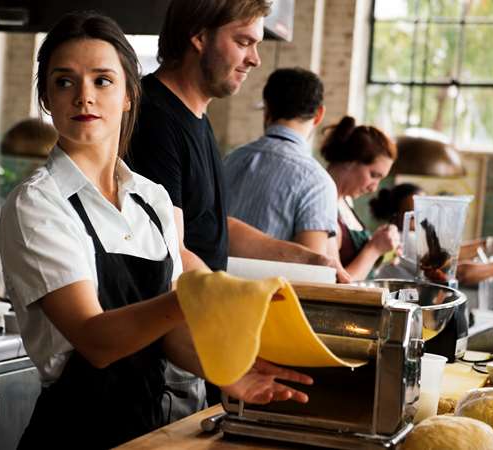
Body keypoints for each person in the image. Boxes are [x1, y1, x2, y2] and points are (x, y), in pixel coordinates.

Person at [0, 12, 312, 449]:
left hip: (146, 431)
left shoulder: (151, 198)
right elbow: (95, 339)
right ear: (47, 99)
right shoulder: (39, 204)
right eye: (64, 82)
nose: (84, 96)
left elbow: (167, 335)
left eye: (103, 81)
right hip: (72, 432)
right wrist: (195, 297)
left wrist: (226, 370)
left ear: (128, 95)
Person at [127, 0, 349, 419]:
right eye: (243, 41)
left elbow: (211, 225)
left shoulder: (196, 117)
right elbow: (171, 249)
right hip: (165, 354)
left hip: (195, 340)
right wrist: (243, 307)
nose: (255, 58)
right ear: (199, 36)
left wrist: (309, 259)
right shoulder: (155, 117)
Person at [223, 67, 336, 255]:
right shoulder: (318, 182)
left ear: (266, 108)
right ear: (319, 115)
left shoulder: (230, 160)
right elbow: (312, 272)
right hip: (272, 285)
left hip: (211, 282)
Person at [371, 183, 493, 285]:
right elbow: (460, 273)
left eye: (425, 211)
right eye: (416, 215)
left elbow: (447, 254)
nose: (423, 220)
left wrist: (487, 244)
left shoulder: (407, 236)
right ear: (398, 217)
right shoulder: (403, 240)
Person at [321, 116, 400, 281]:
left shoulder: (345, 201)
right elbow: (335, 285)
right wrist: (374, 249)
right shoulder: (323, 208)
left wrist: (383, 250)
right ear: (350, 161)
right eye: (373, 175)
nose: (374, 187)